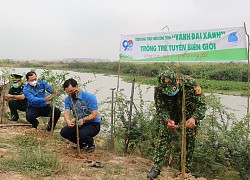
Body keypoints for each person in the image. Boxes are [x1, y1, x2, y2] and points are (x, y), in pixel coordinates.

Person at [147, 69, 207, 179]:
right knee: (163, 138)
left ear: (177, 80)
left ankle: (185, 169)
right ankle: (156, 168)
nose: (170, 93)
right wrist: (167, 120)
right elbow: (161, 108)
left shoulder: (191, 84)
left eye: (172, 89)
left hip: (188, 117)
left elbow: (202, 105)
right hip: (171, 116)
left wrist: (194, 118)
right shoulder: (159, 89)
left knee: (189, 140)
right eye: (167, 91)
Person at [60, 78, 101, 153]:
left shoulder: (89, 97)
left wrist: (84, 119)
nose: (70, 94)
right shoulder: (68, 99)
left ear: (77, 86)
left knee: (82, 133)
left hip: (92, 124)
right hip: (79, 123)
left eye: (71, 91)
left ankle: (90, 144)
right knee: (64, 132)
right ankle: (81, 143)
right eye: (68, 92)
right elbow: (67, 112)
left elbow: (94, 114)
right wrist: (68, 121)